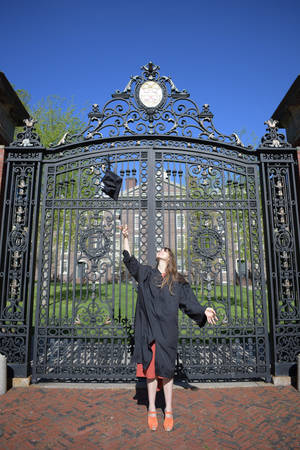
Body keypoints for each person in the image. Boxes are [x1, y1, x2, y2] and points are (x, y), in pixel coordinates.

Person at [119, 224, 218, 432]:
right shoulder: (146, 274)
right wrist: (125, 237)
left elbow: (190, 303)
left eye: (165, 249)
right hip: (149, 331)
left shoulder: (177, 282)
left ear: (170, 258)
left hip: (168, 333)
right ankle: (153, 409)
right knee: (151, 372)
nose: (161, 250)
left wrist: (204, 310)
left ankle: (170, 410)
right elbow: (130, 260)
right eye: (161, 249)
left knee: (167, 372)